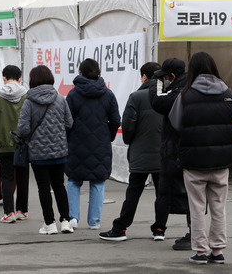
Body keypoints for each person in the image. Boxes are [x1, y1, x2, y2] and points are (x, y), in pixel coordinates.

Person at [168, 52, 232, 264]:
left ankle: (200, 251)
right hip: (220, 161)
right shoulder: (228, 92)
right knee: (218, 206)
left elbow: (175, 122)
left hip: (194, 161)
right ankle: (217, 251)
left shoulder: (185, 94)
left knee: (196, 207)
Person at [99, 62, 164, 241]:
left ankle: (120, 228)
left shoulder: (136, 97)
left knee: (133, 192)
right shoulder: (168, 96)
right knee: (162, 193)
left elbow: (127, 126)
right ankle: (160, 229)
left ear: (144, 77)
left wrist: (130, 141)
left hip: (140, 152)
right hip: (163, 154)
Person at [17, 65, 74, 234]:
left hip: (38, 153)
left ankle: (49, 224)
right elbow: (69, 123)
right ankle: (65, 221)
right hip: (59, 150)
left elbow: (23, 129)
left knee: (43, 188)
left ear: (33, 80)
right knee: (59, 186)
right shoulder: (60, 99)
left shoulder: (29, 101)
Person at [66, 58, 120, 231]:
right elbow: (116, 120)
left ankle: (73, 217)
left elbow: (66, 121)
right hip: (101, 144)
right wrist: (108, 137)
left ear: (81, 73)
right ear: (98, 72)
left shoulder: (73, 94)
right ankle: (94, 221)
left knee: (74, 180)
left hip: (76, 144)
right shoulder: (108, 94)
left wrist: (69, 138)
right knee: (98, 182)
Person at [149, 58, 191, 250]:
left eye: (165, 77)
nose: (164, 80)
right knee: (194, 196)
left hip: (176, 151)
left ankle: (166, 230)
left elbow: (158, 102)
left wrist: (153, 82)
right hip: (189, 151)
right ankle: (194, 233)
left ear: (172, 76)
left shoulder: (179, 92)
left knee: (186, 195)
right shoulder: (188, 88)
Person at [0, 65, 29, 223]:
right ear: (20, 78)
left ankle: (9, 213)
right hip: (23, 144)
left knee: (7, 178)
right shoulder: (27, 96)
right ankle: (22, 210)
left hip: (3, 145)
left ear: (4, 77)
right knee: (23, 177)